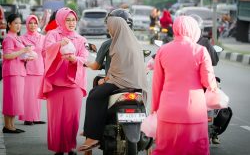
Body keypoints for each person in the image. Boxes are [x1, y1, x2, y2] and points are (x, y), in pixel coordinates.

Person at [77, 16, 148, 152]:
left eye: (110, 28)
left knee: (94, 96)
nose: (109, 30)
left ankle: (92, 136)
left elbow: (113, 69)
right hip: (137, 85)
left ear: (116, 28)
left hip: (119, 83)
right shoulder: (135, 44)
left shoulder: (114, 44)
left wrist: (107, 79)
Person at [151, 16, 218, 155]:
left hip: (167, 111)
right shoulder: (200, 50)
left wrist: (154, 110)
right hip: (194, 112)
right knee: (195, 151)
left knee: (166, 151)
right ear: (194, 30)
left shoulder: (162, 50)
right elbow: (208, 82)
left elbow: (157, 84)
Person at [38, 7, 89, 155]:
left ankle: (69, 147)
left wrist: (74, 59)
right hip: (55, 84)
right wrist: (59, 45)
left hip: (74, 84)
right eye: (68, 19)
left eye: (73, 20)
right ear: (60, 20)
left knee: (72, 119)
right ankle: (58, 149)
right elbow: (45, 51)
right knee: (56, 118)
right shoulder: (53, 34)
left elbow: (84, 58)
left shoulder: (81, 39)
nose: (71, 23)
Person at [2, 14, 33, 133]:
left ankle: (11, 125)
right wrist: (23, 50)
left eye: (20, 23)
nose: (19, 25)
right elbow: (7, 55)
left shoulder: (17, 38)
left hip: (19, 71)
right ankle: (8, 126)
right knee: (11, 98)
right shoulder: (9, 38)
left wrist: (26, 57)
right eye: (15, 23)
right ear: (9, 24)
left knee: (15, 99)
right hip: (11, 72)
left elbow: (18, 55)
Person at [85, 8, 133, 76]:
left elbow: (96, 66)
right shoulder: (135, 44)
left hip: (114, 82)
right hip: (134, 82)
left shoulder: (108, 44)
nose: (108, 28)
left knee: (98, 82)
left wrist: (87, 63)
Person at [18, 15, 46, 125]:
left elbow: (45, 54)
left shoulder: (42, 38)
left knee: (38, 94)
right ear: (27, 24)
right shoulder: (22, 38)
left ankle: (36, 117)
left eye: (35, 23)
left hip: (40, 68)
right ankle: (28, 118)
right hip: (27, 69)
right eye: (30, 23)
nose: (33, 25)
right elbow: (20, 54)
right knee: (28, 94)